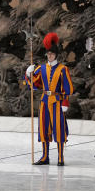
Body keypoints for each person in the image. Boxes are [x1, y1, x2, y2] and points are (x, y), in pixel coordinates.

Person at [25, 33, 72, 165]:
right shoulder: (42, 68)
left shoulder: (63, 69)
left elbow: (67, 87)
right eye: (48, 54)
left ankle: (60, 157)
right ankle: (45, 156)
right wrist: (28, 74)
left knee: (59, 128)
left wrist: (65, 101)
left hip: (57, 101)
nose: (50, 56)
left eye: (52, 54)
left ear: (56, 55)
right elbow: (34, 84)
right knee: (44, 128)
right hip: (45, 101)